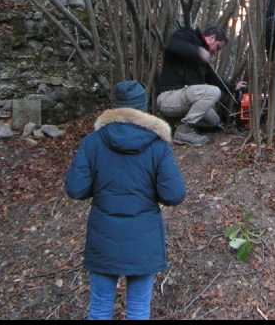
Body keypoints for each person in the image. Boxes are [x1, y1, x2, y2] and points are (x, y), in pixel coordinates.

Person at [65, 80, 186, 320]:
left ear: (116, 106)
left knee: (99, 309)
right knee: (139, 310)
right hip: (144, 238)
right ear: (142, 108)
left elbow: (75, 189)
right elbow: (174, 194)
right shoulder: (157, 145)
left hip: (103, 238)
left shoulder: (93, 142)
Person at [155, 25, 245, 146]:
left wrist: (233, 87)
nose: (215, 52)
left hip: (184, 100)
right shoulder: (187, 35)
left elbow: (214, 79)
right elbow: (172, 46)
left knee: (214, 121)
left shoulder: (202, 60)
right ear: (211, 38)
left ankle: (178, 123)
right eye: (217, 47)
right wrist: (198, 51)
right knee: (213, 92)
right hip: (168, 98)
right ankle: (184, 132)